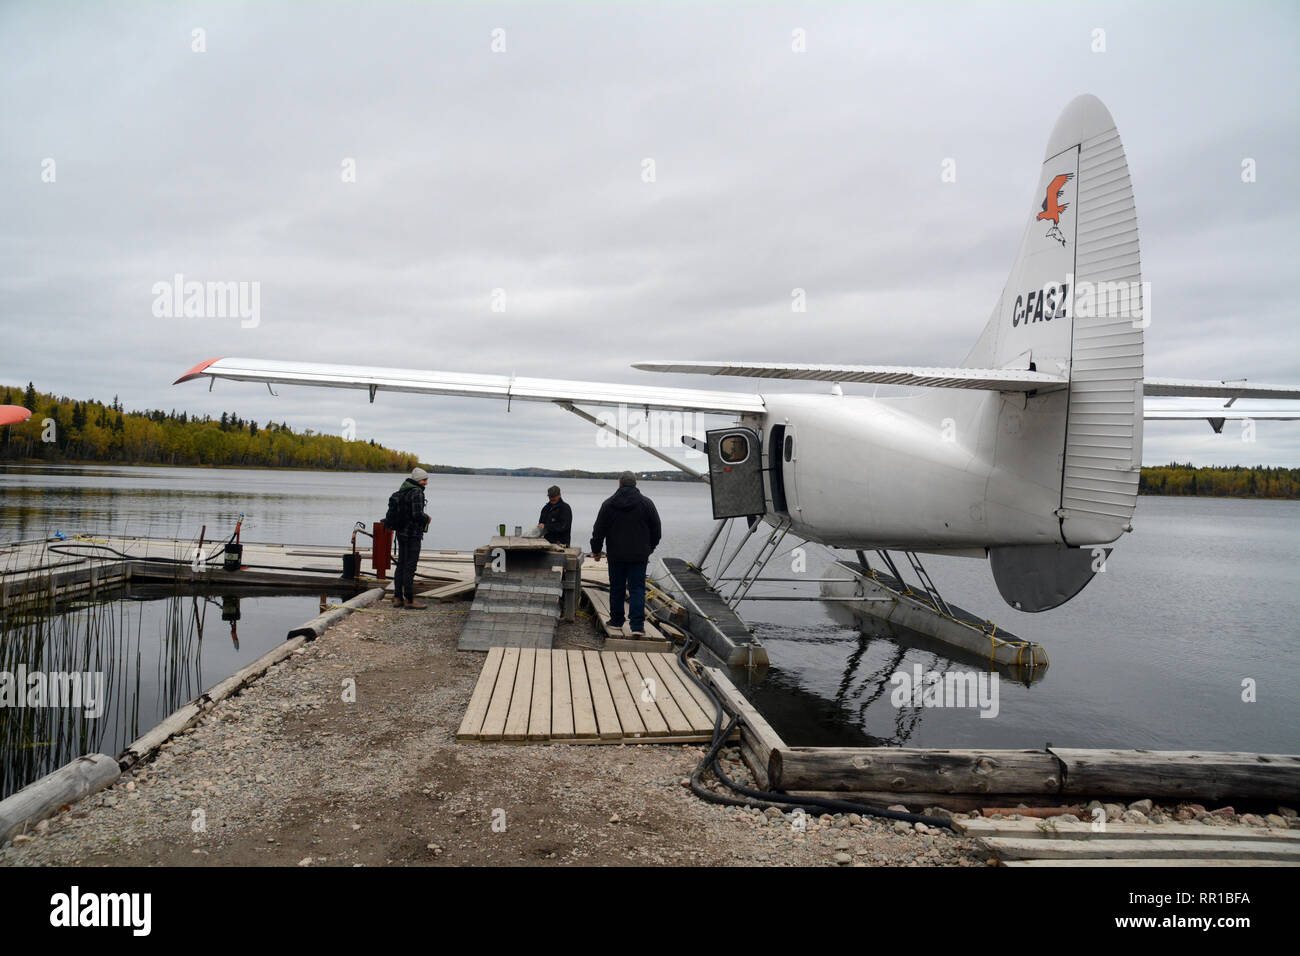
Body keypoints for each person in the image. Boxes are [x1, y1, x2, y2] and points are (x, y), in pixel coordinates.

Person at [590, 472, 661, 637]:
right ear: (636, 484)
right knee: (637, 589)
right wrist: (651, 547)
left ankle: (616, 621)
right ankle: (637, 626)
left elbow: (598, 530)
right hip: (639, 556)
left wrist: (596, 550)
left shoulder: (608, 504)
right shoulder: (647, 504)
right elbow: (656, 528)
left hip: (616, 555)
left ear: (619, 484)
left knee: (617, 588)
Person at [391, 467, 431, 609]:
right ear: (418, 480)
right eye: (424, 480)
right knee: (410, 566)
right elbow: (417, 515)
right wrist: (427, 518)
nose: (426, 483)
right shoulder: (417, 492)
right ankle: (409, 600)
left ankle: (397, 597)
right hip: (413, 534)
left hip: (401, 533)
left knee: (401, 564)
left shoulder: (403, 490)